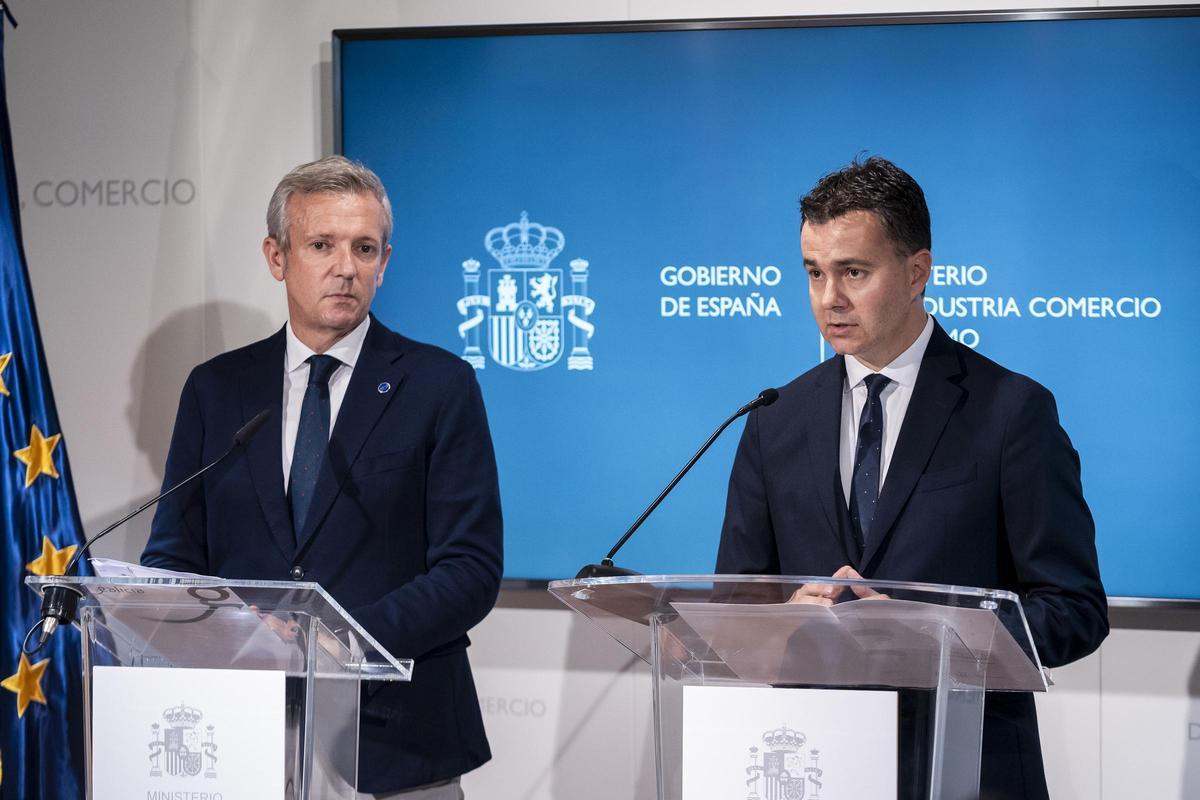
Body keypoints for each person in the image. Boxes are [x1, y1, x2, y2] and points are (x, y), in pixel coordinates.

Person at [716, 156, 1107, 799]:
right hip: (816, 764)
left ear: (917, 271)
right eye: (814, 273)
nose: (828, 298)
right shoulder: (774, 419)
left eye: (854, 272)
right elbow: (735, 604)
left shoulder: (1011, 411)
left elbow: (1074, 611)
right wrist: (782, 620)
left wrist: (928, 633)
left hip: (966, 768)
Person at [142, 156, 503, 799]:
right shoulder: (217, 390)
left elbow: (469, 569)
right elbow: (174, 559)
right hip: (240, 731)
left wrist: (335, 639)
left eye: (365, 248)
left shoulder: (440, 385)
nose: (346, 267)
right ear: (276, 256)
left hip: (396, 739)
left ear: (384, 261)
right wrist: (243, 634)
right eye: (321, 245)